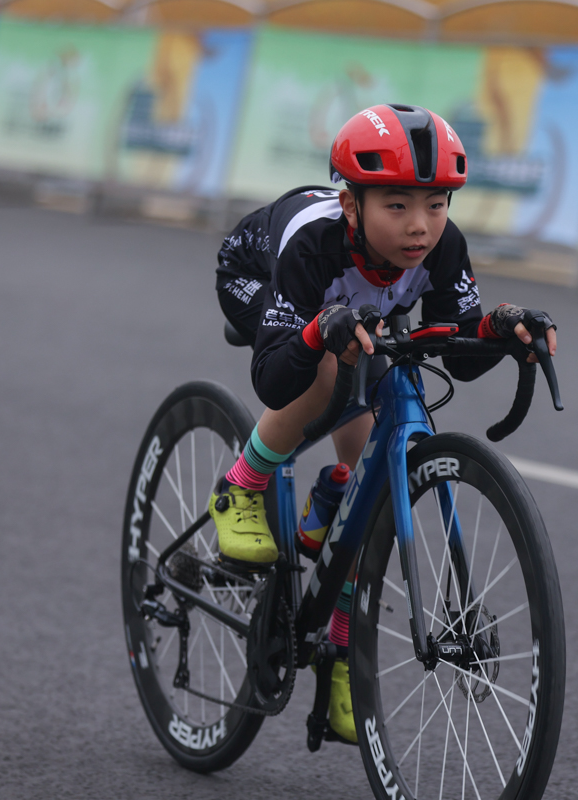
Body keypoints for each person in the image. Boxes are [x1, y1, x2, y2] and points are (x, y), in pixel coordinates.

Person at [211, 104, 557, 742]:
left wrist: (504, 328)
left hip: (358, 311)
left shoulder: (442, 243)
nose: (420, 226)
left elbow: (458, 348)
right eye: (397, 206)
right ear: (352, 206)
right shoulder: (316, 240)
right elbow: (272, 379)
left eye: (435, 204)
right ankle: (243, 482)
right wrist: (318, 328)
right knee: (321, 377)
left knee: (369, 488)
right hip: (262, 279)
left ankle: (340, 644)